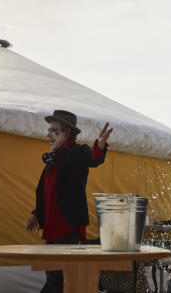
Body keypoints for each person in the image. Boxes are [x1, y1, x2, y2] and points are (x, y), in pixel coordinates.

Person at [26, 110, 112, 293]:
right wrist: (36, 213)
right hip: (51, 226)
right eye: (49, 130)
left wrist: (101, 145)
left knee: (58, 276)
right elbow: (46, 190)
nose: (48, 135)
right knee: (53, 274)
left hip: (67, 226)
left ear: (66, 133)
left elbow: (93, 159)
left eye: (53, 130)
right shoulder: (52, 158)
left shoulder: (77, 152)